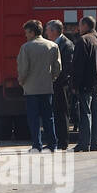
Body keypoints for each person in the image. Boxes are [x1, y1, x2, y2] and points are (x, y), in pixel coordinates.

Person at [17, 20, 60, 152]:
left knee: (34, 119)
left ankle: (37, 145)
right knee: (49, 117)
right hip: (47, 87)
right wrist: (51, 78)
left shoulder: (26, 47)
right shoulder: (52, 46)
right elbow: (57, 68)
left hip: (31, 89)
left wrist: (21, 81)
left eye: (27, 32)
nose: (25, 35)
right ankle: (53, 144)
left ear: (32, 32)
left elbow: (23, 69)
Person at [72, 15, 97, 151]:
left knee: (85, 113)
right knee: (96, 112)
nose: (78, 28)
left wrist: (74, 85)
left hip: (85, 83)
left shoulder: (83, 41)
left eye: (80, 25)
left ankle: (84, 143)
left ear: (86, 26)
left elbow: (77, 66)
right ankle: (96, 142)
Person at [46, 20, 74, 151]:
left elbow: (67, 68)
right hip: (54, 85)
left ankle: (63, 141)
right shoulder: (53, 44)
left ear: (54, 31)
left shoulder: (66, 45)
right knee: (55, 113)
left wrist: (56, 81)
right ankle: (56, 139)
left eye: (48, 30)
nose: (46, 33)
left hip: (62, 85)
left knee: (62, 113)